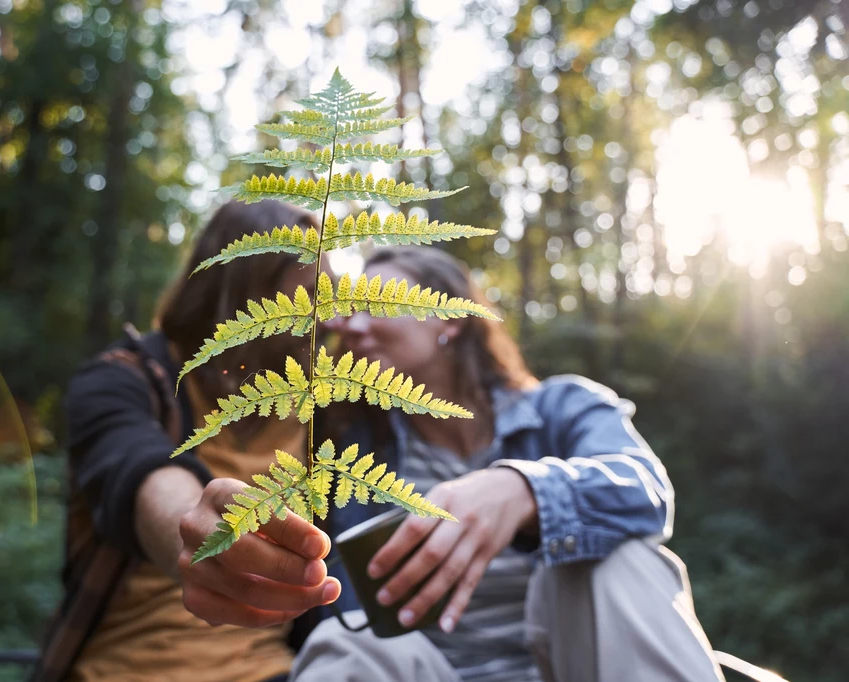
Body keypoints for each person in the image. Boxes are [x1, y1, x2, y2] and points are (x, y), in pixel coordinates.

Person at [290, 245, 726, 682]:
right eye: (349, 313)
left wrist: (527, 489)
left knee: (621, 559)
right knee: (347, 646)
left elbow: (646, 491)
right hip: (428, 673)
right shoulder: (347, 446)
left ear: (450, 317)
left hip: (568, 668)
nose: (354, 327)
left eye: (377, 305)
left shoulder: (562, 408)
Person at [44, 200, 341, 682]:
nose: (328, 322)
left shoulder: (318, 410)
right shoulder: (127, 380)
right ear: (247, 290)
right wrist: (195, 527)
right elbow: (135, 469)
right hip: (126, 668)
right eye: (311, 298)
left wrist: (512, 481)